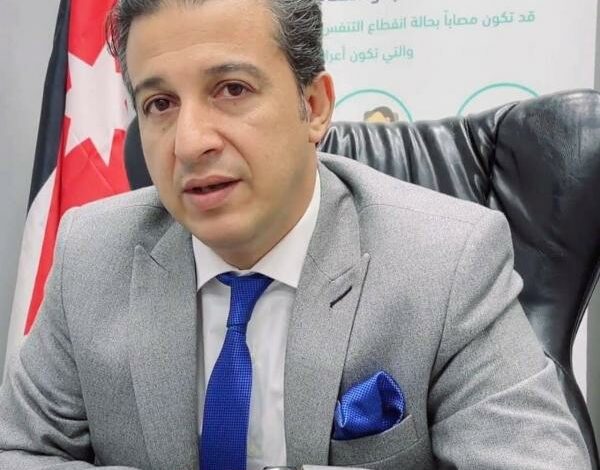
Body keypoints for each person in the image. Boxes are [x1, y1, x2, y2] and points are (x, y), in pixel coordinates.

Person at [0, 0, 591, 469]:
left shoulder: (448, 262)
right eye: (159, 103)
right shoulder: (90, 255)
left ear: (314, 105)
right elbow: (19, 452)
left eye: (232, 89)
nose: (190, 142)